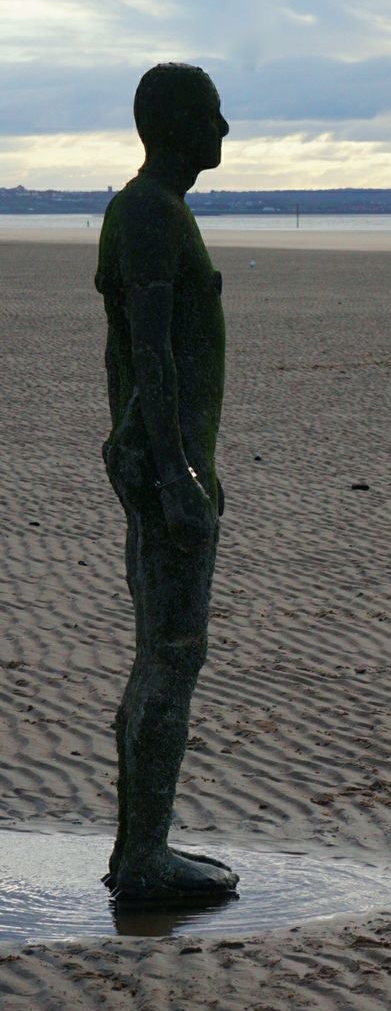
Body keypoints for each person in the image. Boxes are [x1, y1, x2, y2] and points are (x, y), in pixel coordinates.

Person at [95, 63, 238, 900]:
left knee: (164, 655)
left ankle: (138, 847)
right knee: (171, 656)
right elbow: (149, 351)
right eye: (214, 117)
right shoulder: (149, 212)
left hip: (170, 467)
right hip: (164, 472)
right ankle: (144, 854)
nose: (226, 131)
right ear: (178, 125)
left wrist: (195, 470)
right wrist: (179, 477)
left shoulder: (157, 210)